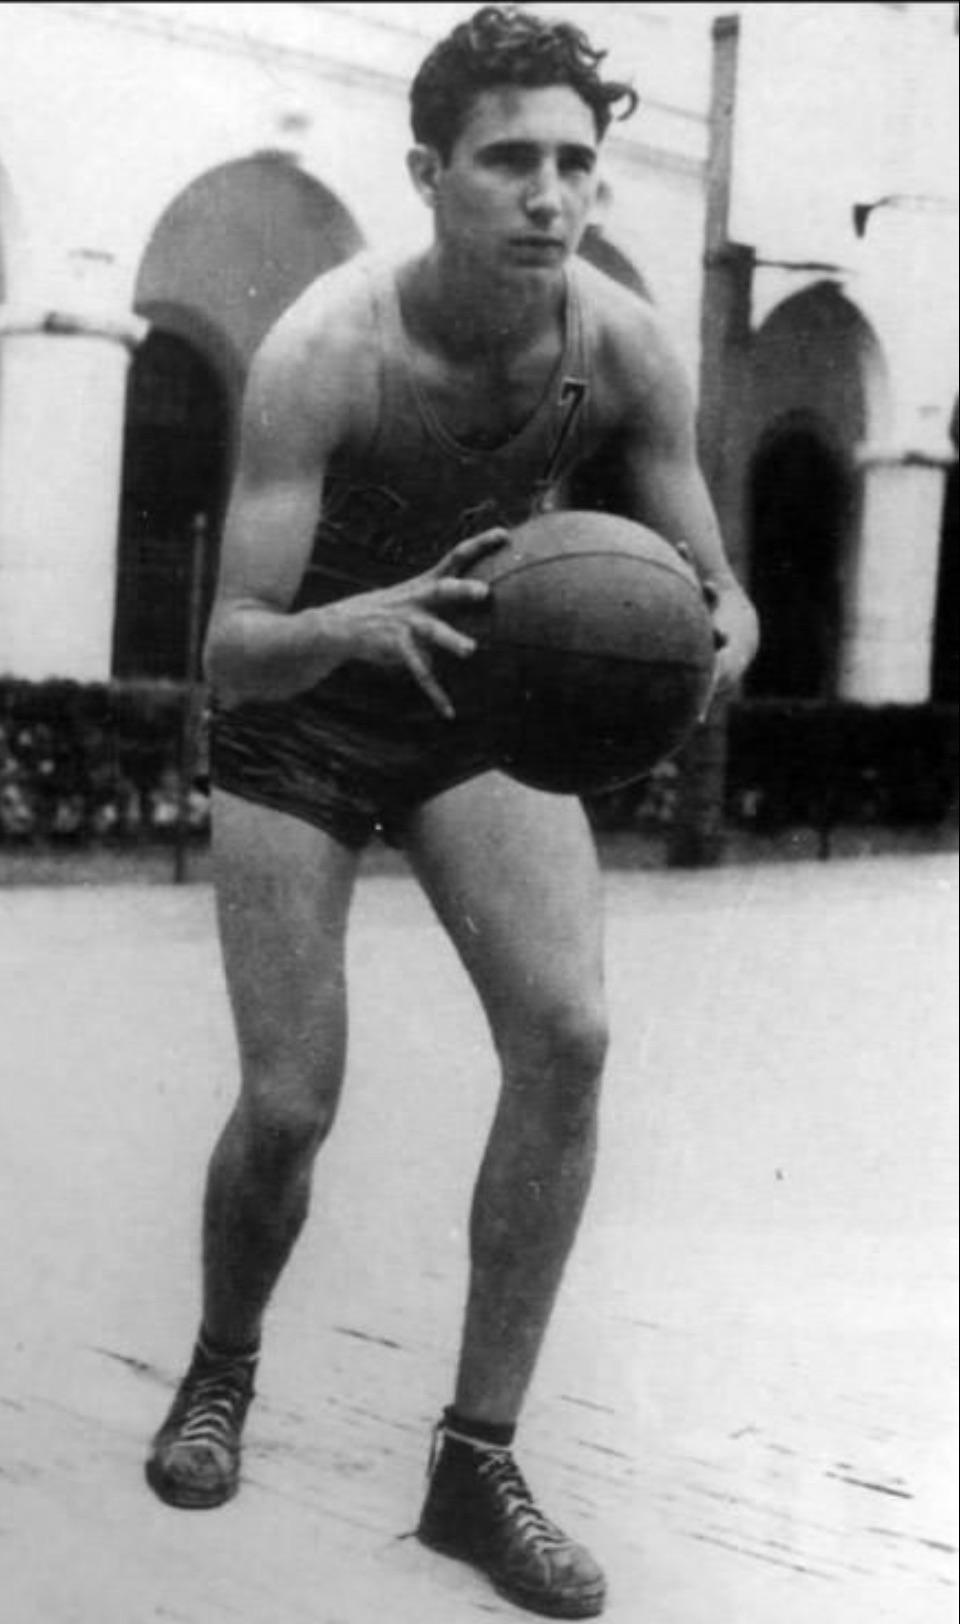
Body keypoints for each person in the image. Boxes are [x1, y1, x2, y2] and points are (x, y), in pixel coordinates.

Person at [145, 5, 759, 1617]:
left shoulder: (619, 342)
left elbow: (713, 580)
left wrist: (717, 637)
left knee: (570, 1034)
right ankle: (221, 1368)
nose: (549, 194)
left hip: (475, 716)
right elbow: (231, 650)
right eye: (510, 161)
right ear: (430, 171)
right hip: (305, 721)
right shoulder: (324, 354)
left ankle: (476, 1465)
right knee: (290, 1108)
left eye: (575, 161)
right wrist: (354, 623)